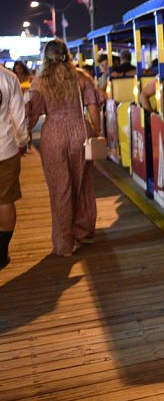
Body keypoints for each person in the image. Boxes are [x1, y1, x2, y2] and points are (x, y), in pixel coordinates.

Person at [26, 39, 104, 256]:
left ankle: (63, 244)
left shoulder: (40, 82)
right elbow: (94, 108)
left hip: (53, 135)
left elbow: (32, 113)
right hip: (80, 130)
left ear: (46, 56)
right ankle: (84, 231)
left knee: (60, 188)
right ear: (67, 54)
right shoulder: (81, 77)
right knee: (83, 183)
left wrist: (25, 136)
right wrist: (96, 131)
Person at [0, 63, 29, 270]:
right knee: (5, 200)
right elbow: (19, 117)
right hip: (5, 149)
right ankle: (1, 253)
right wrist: (22, 142)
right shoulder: (8, 78)